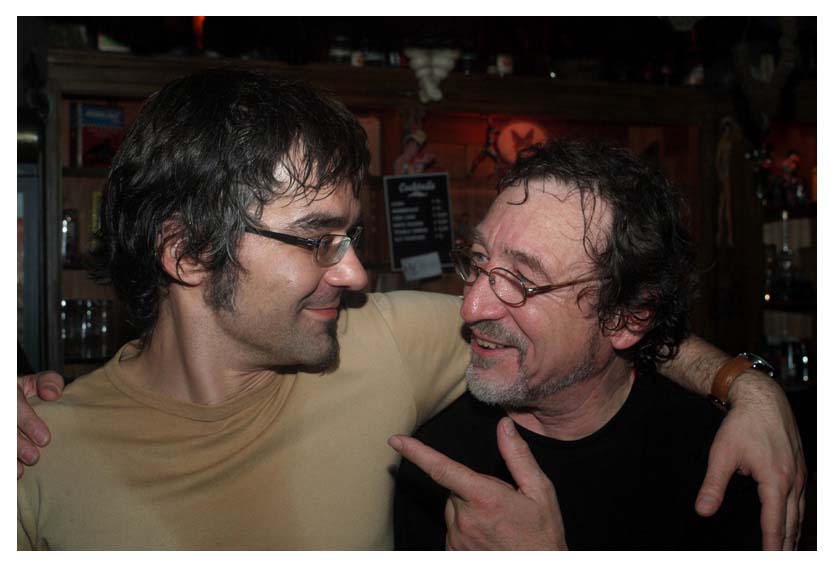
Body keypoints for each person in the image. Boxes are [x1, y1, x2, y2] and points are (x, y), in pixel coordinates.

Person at [17, 69, 804, 550]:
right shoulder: (36, 455)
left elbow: (594, 328)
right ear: (187, 253)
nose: (354, 272)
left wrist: (748, 386)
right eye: (317, 239)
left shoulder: (382, 344)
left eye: (350, 236)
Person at [390, 139, 770, 550]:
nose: (471, 307)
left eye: (522, 279)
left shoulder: (721, 457)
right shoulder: (440, 458)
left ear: (626, 316)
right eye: (479, 259)